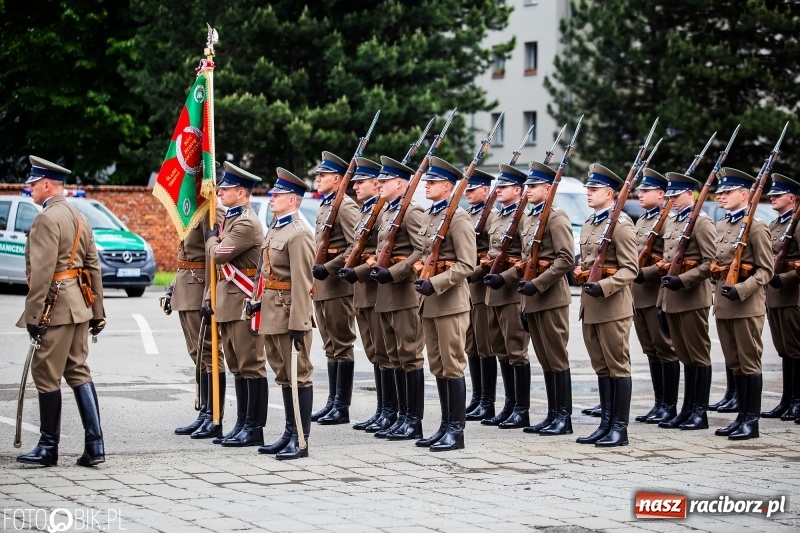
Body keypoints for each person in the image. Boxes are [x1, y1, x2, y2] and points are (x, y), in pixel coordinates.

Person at [16, 156, 106, 467]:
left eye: (32, 184)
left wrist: (33, 316)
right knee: (78, 371)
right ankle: (95, 446)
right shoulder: (80, 217)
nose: (29, 189)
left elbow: (41, 273)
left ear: (46, 184)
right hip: (80, 306)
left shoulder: (46, 218)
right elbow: (93, 267)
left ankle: (47, 447)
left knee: (45, 374)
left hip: (55, 305)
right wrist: (97, 312)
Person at [250, 168, 315, 460]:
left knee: (298, 375)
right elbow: (266, 272)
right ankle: (289, 431)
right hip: (273, 311)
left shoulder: (299, 234)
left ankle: (301, 439)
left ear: (294, 199)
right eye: (273, 193)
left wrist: (300, 322)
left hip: (290, 312)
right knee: (283, 376)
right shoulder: (276, 227)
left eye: (278, 194)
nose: (272, 197)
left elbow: (303, 282)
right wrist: (255, 302)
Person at [412, 157, 477, 451]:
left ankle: (456, 431)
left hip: (450, 303)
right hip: (430, 303)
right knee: (438, 366)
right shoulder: (429, 215)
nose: (427, 185)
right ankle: (444, 425)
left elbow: (467, 264)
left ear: (448, 186)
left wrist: (436, 283)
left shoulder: (459, 218)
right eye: (427, 181)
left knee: (452, 366)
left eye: (433, 182)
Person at [572, 164, 638, 447]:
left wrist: (604, 286)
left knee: (617, 367)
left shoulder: (621, 225)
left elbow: (630, 269)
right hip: (591, 306)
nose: (588, 192)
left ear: (610, 193)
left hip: (612, 307)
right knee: (601, 367)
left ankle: (619, 429)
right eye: (588, 188)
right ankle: (605, 423)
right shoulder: (590, 223)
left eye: (594, 189)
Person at [205, 163, 267, 447]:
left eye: (226, 188)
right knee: (237, 365)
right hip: (229, 301)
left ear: (241, 192)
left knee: (251, 365)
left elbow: (218, 255)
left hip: (243, 299)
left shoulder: (245, 222)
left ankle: (254, 427)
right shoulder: (230, 219)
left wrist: (211, 241)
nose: (220, 191)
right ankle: (242, 422)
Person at [711, 167, 773, 440]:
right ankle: (740, 416)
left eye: (727, 192)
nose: (720, 196)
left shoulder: (756, 227)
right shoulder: (723, 225)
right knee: (734, 363)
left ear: (745, 194)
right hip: (724, 304)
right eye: (720, 192)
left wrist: (743, 289)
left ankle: (751, 420)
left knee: (749, 364)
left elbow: (765, 270)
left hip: (746, 306)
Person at [370, 156, 426, 440]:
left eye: (385, 180)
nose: (378, 183)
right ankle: (400, 415)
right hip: (386, 294)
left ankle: (413, 420)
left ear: (401, 184)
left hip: (404, 292)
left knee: (410, 356)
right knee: (393, 356)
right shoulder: (387, 212)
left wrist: (394, 273)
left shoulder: (413, 212)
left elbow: (421, 251)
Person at [516, 162, 575, 435]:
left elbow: (565, 259)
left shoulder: (556, 216)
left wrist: (537, 284)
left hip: (550, 297)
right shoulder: (529, 218)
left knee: (556, 358)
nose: (527, 190)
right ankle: (553, 415)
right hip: (533, 297)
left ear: (549, 188)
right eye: (527, 186)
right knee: (545, 359)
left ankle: (564, 417)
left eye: (533, 186)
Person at [337, 157, 394, 432]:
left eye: (362, 182)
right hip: (362, 290)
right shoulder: (364, 211)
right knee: (374, 351)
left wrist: (361, 268)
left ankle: (391, 411)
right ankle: (383, 409)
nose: (356, 186)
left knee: (385, 352)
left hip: (375, 289)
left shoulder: (382, 213)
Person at [656, 172, 716, 431]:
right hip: (673, 298)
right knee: (685, 357)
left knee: (698, 356)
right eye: (669, 196)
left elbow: (709, 262)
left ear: (690, 194)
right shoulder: (673, 221)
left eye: (677, 196)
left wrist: (685, 280)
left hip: (692, 298)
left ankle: (699, 412)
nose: (673, 200)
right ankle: (686, 408)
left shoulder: (700, 222)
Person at [165, 204, 227, 440]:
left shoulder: (213, 211)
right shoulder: (194, 211)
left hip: (199, 289)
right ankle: (204, 411)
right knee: (197, 354)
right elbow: (185, 255)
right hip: (186, 289)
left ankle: (215, 415)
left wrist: (210, 294)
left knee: (210, 353)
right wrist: (172, 287)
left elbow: (216, 260)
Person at [310, 152, 360, 425]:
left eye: (322, 175)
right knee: (330, 346)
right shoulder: (326, 205)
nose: (317, 179)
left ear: (338, 179)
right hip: (322, 288)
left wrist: (329, 268)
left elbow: (355, 248)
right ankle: (332, 401)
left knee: (341, 344)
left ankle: (342, 405)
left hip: (338, 287)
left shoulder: (345, 206)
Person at [481, 165, 532, 429]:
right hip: (494, 294)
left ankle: (521, 409)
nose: (498, 190)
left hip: (511, 293)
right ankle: (509, 404)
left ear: (517, 190)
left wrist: (507, 276)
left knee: (516, 351)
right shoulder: (498, 217)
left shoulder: (523, 218)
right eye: (497, 187)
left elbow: (526, 259)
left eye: (504, 186)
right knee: (501, 350)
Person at [630, 169, 679, 425]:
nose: (641, 194)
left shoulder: (667, 221)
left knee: (665, 350)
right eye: (640, 190)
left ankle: (669, 405)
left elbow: (667, 260)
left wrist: (645, 273)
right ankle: (659, 403)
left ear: (661, 194)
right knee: (651, 350)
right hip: (638, 296)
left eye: (647, 191)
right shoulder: (642, 221)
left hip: (656, 293)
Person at [762, 173, 800, 422]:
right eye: (772, 195)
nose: (772, 198)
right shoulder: (776, 224)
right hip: (775, 295)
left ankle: (797, 401)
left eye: (778, 195)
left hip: (792, 294)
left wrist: (783, 279)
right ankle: (787, 399)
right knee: (784, 350)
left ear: (792, 198)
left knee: (796, 350)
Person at [463, 169, 498, 421]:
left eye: (472, 189)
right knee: (472, 345)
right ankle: (477, 397)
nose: (467, 192)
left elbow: (490, 255)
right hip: (469, 290)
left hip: (483, 287)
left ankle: (488, 400)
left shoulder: (492, 216)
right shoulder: (469, 215)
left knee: (486, 346)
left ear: (486, 191)